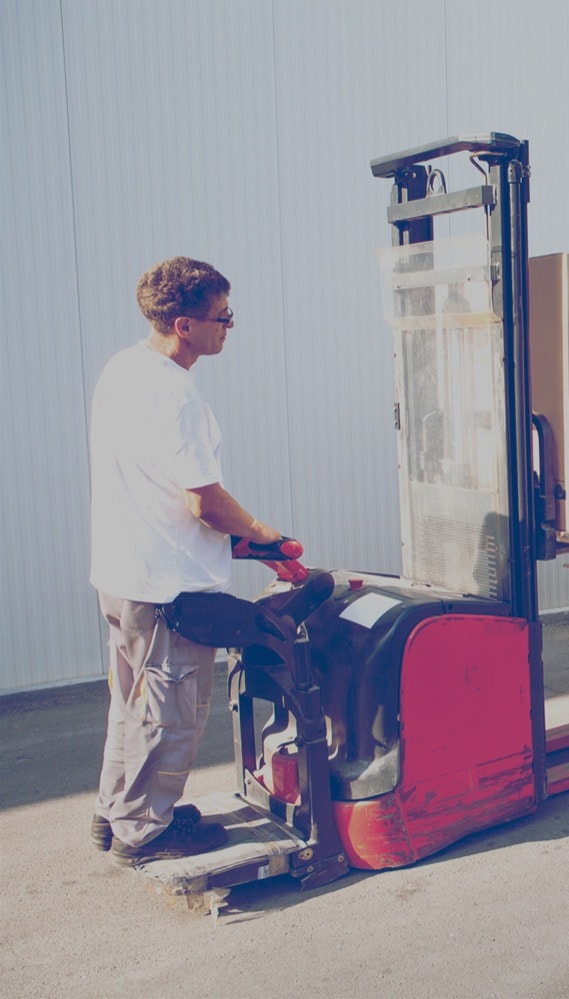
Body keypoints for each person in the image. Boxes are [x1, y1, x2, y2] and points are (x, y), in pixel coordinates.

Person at [89, 256, 285, 867]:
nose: (229, 325)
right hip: (166, 587)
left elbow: (156, 483)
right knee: (170, 715)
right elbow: (204, 500)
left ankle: (113, 812)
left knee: (131, 704)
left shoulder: (123, 368)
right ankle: (143, 832)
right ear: (184, 325)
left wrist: (237, 542)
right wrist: (262, 533)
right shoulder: (176, 393)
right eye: (222, 316)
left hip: (123, 574)